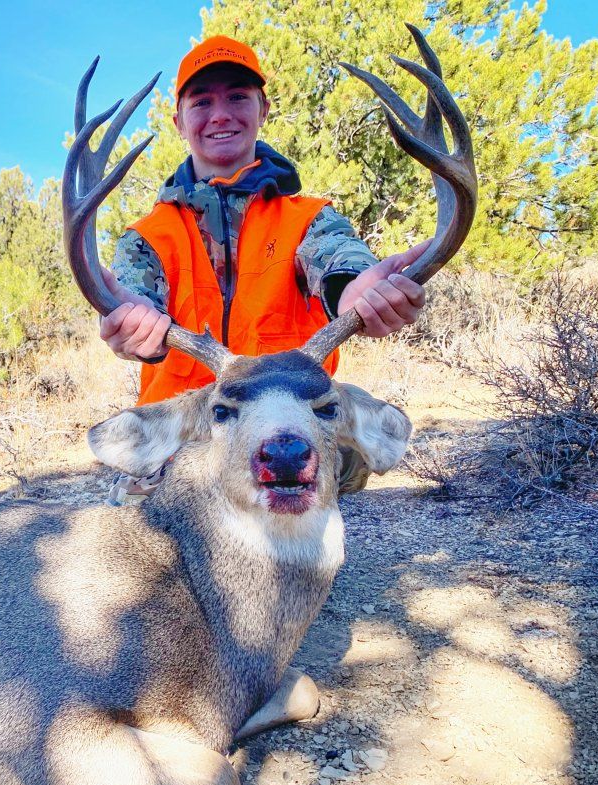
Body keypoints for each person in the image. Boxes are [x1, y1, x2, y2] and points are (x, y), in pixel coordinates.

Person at [100, 35, 429, 504]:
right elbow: (138, 307)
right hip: (193, 430)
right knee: (140, 527)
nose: (221, 114)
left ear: (264, 109)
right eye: (202, 101)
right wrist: (133, 330)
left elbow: (339, 261)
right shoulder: (147, 237)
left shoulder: (308, 218)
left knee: (331, 463)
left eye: (238, 96)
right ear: (178, 121)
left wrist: (355, 294)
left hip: (289, 424)